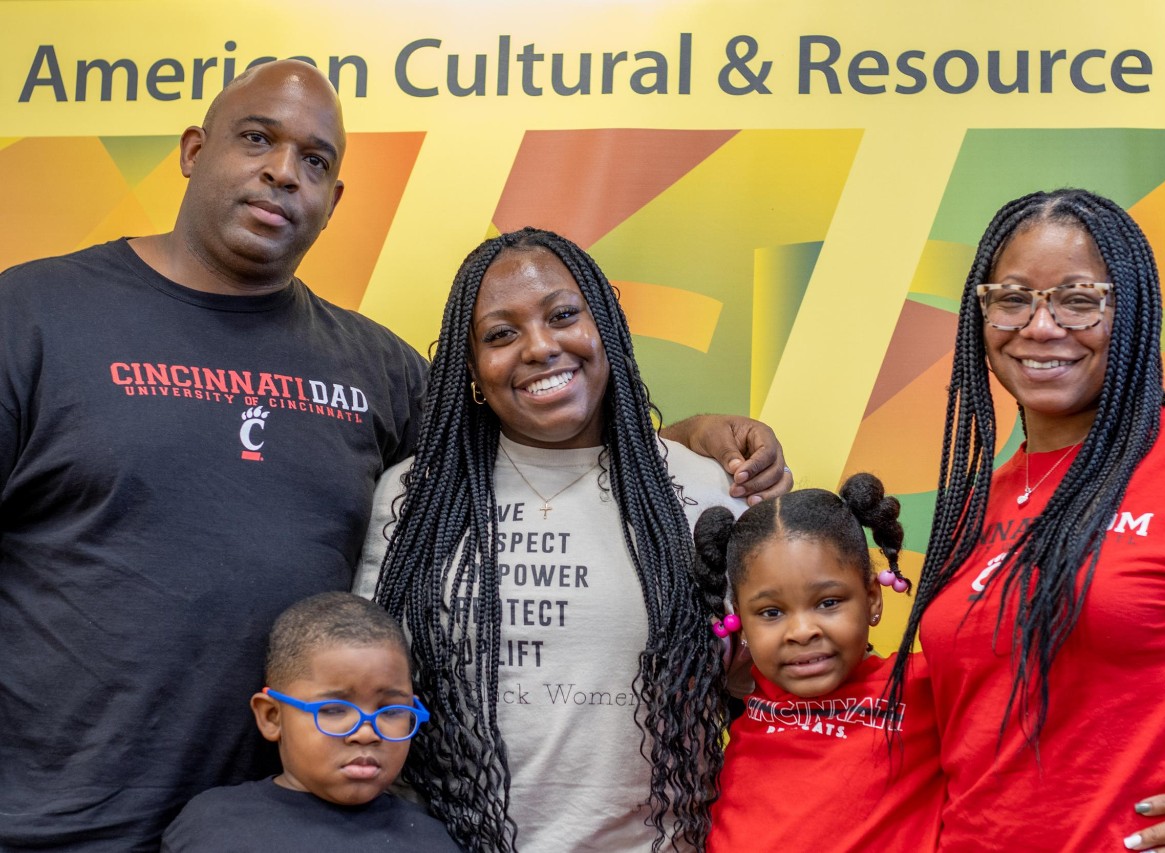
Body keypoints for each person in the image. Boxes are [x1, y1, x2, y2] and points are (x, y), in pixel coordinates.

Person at [0, 60, 785, 850]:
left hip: (272, 828)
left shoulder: (375, 368)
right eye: (256, 139)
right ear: (194, 148)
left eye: (315, 161)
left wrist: (689, 439)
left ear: (335, 200)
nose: (282, 172)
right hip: (50, 820)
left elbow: (536, 437)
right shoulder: (32, 316)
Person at [882, 188, 1165, 851]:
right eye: (1012, 299)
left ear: (1130, 313)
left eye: (1078, 299)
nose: (1040, 327)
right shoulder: (977, 503)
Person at [357, 227, 750, 852]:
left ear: (608, 329)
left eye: (563, 316)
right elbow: (368, 689)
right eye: (501, 334)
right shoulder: (414, 497)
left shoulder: (705, 490)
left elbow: (759, 680)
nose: (540, 347)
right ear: (473, 371)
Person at [692, 475, 944, 853]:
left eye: (828, 602)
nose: (802, 631)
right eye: (771, 612)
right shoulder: (738, 695)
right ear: (740, 619)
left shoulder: (923, 686)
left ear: (872, 598)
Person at [161, 592, 461, 851]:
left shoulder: (432, 840)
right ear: (272, 716)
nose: (367, 733)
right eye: (333, 709)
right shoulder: (213, 823)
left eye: (392, 710)